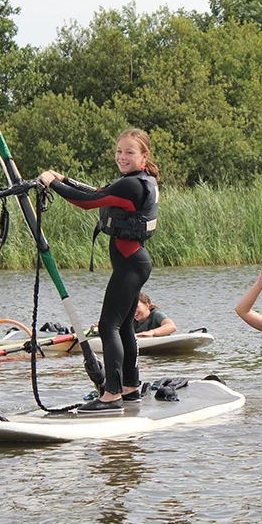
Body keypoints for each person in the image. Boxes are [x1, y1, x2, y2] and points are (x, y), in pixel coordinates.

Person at [38, 128, 159, 412]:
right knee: (125, 325)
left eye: (129, 152)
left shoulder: (131, 185)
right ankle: (130, 387)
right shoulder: (137, 181)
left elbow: (87, 202)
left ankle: (112, 394)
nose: (122, 157)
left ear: (144, 156)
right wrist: (62, 178)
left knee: (109, 325)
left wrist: (50, 183)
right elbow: (98, 192)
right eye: (119, 151)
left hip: (131, 265)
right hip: (135, 262)